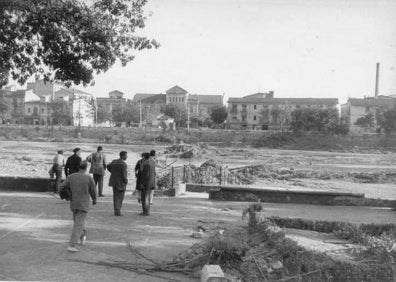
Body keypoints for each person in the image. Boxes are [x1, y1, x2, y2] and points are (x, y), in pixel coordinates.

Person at [59, 161, 96, 253]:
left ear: (78, 167)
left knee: (77, 222)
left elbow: (61, 187)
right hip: (83, 203)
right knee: (78, 223)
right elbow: (93, 191)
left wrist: (67, 196)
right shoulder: (88, 178)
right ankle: (72, 244)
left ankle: (83, 235)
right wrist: (95, 199)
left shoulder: (71, 177)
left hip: (74, 203)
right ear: (86, 167)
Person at [107, 151, 128, 216]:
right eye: (126, 155)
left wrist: (112, 172)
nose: (127, 157)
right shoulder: (123, 164)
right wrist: (126, 181)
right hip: (121, 182)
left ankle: (116, 210)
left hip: (114, 181)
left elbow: (108, 166)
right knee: (120, 197)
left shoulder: (114, 161)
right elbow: (124, 175)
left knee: (115, 196)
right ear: (122, 156)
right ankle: (118, 210)